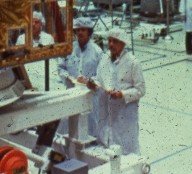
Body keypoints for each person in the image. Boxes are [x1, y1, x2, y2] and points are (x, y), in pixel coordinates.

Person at [85, 27, 146, 156]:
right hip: (106, 111)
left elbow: (140, 90)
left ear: (123, 43)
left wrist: (122, 94)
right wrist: (92, 83)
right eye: (109, 41)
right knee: (106, 147)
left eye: (115, 41)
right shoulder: (104, 58)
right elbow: (100, 79)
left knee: (126, 151)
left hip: (124, 112)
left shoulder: (133, 63)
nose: (111, 44)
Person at [57, 17, 103, 138]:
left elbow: (102, 74)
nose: (80, 33)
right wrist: (69, 78)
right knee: (68, 127)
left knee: (89, 129)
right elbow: (61, 67)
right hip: (72, 93)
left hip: (89, 97)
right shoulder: (69, 49)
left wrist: (90, 81)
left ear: (89, 31)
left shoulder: (97, 52)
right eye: (78, 30)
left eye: (83, 30)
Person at [16, 11, 55, 91]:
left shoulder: (48, 38)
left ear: (41, 24)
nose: (33, 24)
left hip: (45, 76)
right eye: (31, 22)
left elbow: (53, 60)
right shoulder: (21, 39)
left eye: (36, 22)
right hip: (28, 76)